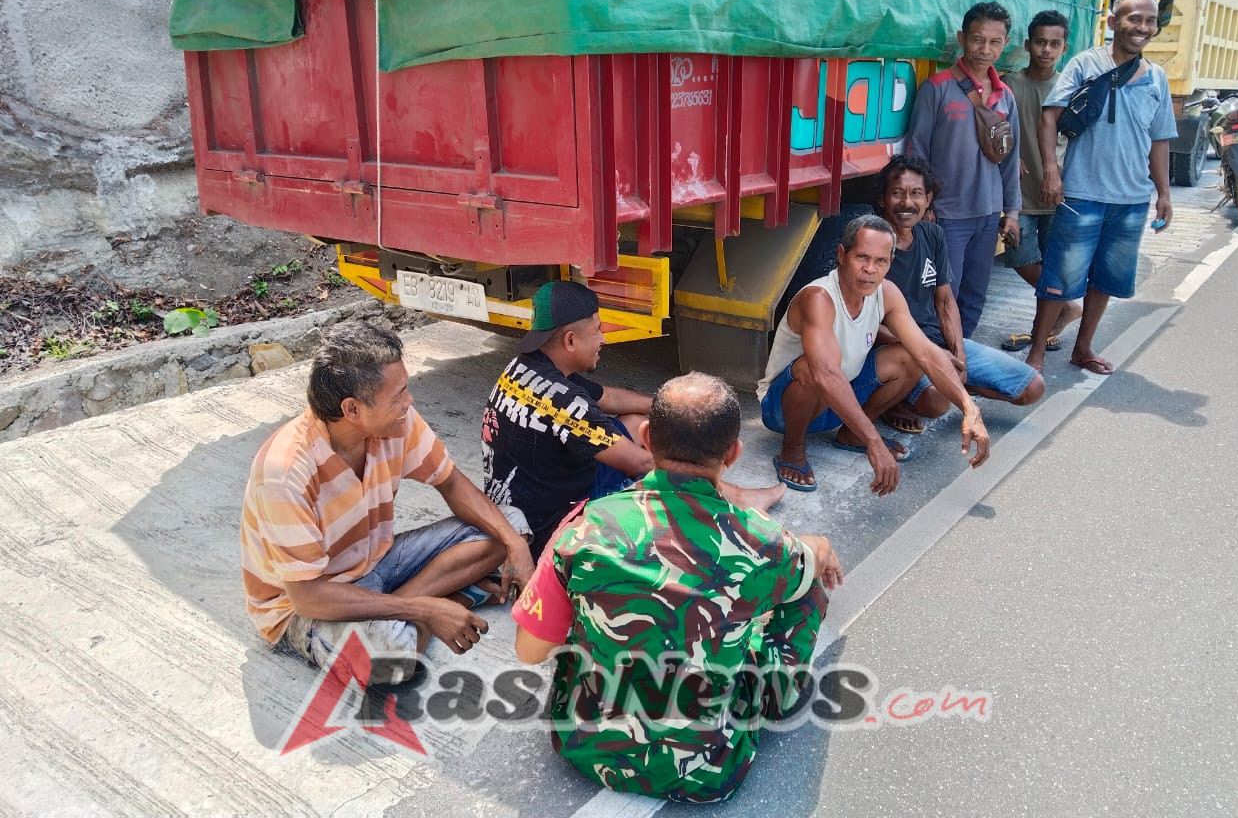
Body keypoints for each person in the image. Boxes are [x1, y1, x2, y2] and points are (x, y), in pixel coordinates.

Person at [511, 372, 843, 803]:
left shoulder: (586, 526)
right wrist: (822, 548)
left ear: (646, 437)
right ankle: (776, 696)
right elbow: (809, 560)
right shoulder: (763, 542)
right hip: (708, 773)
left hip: (581, 749)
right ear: (734, 454)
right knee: (809, 589)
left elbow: (529, 651)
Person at [241, 321, 535, 670]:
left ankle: (417, 608)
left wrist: (515, 545)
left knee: (511, 525)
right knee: (392, 657)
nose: (409, 402)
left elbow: (452, 483)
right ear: (352, 410)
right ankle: (440, 605)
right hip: (306, 603)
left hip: (375, 562)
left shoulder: (396, 423)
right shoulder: (285, 472)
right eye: (398, 395)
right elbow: (308, 597)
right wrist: (423, 608)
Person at [482, 280, 782, 558]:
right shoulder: (565, 402)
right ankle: (735, 499)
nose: (603, 338)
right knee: (657, 473)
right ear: (570, 340)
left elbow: (610, 398)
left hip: (528, 492)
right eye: (598, 330)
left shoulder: (527, 366)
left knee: (635, 422)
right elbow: (642, 463)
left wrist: (676, 407)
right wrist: (706, 472)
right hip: (549, 524)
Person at [757, 213, 991, 495]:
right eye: (862, 258)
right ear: (842, 255)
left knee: (909, 355)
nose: (870, 269)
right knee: (813, 366)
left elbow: (927, 352)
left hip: (842, 397)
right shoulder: (819, 298)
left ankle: (853, 433)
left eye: (880, 261)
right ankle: (792, 449)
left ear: (890, 263)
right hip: (783, 409)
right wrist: (875, 442)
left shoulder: (887, 292)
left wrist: (969, 407)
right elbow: (826, 374)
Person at [1026, 0, 1176, 375]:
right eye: (1134, 19)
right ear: (1114, 23)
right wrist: (1052, 169)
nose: (1142, 27)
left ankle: (1083, 348)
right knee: (1059, 277)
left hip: (1131, 199)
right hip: (1082, 193)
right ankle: (1036, 354)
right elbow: (1049, 117)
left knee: (1106, 279)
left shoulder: (1157, 78)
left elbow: (1159, 140)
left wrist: (1163, 192)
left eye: (1149, 20)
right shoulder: (1085, 63)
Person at [875, 155, 1044, 435]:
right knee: (936, 402)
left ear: (929, 199)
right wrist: (930, 354)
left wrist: (958, 354)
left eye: (916, 194)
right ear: (882, 199)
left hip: (938, 344)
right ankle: (897, 397)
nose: (907, 203)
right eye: (897, 194)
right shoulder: (873, 241)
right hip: (898, 351)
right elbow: (864, 321)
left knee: (1031, 388)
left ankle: (949, 379)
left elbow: (944, 301)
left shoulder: (932, 234)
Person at [907, 0, 1022, 337]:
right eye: (977, 39)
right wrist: (923, 206)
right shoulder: (937, 88)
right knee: (943, 297)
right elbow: (917, 153)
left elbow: (1011, 159)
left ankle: (961, 360)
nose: (985, 49)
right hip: (946, 216)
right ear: (962, 38)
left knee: (974, 295)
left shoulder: (1006, 97)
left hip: (988, 215)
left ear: (1005, 43)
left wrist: (1012, 211)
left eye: (995, 41)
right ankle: (934, 369)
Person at [1000, 10, 1083, 352]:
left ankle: (1041, 330)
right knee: (1019, 257)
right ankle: (1066, 308)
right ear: (1027, 44)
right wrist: (1010, 152)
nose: (1046, 50)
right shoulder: (1010, 84)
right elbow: (995, 127)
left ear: (1064, 48)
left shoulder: (1071, 88)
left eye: (1054, 44)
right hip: (1019, 194)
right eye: (1040, 42)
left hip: (1057, 192)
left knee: (1052, 264)